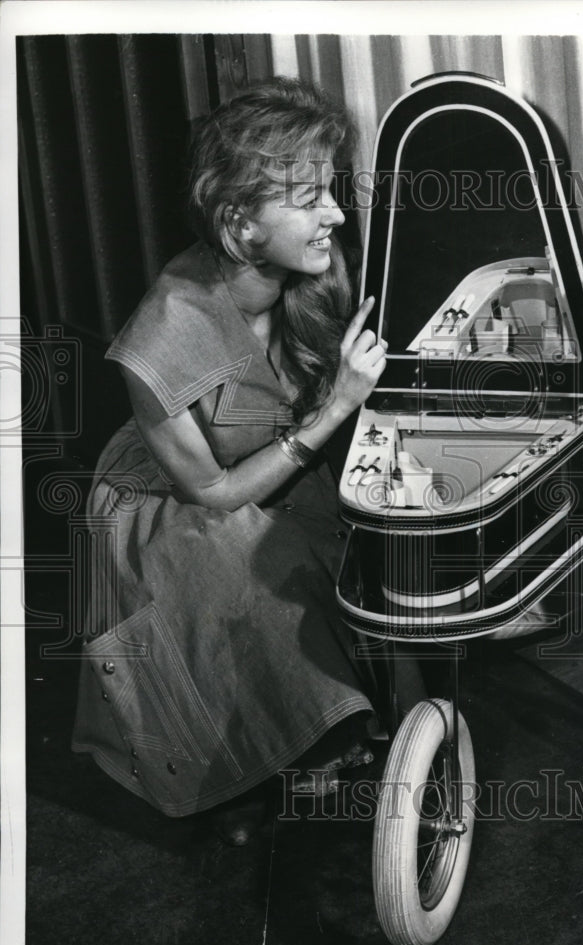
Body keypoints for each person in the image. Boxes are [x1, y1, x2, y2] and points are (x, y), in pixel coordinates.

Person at [71, 77, 401, 840]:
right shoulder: (157, 339)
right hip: (166, 504)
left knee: (351, 558)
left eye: (333, 190)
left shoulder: (317, 269)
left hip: (278, 457)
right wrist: (335, 409)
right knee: (246, 562)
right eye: (310, 198)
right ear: (240, 223)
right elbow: (212, 492)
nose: (337, 214)